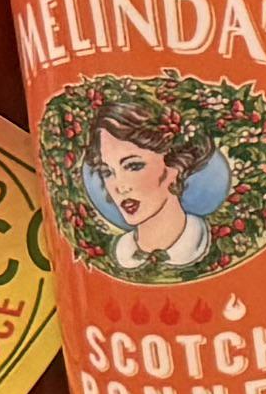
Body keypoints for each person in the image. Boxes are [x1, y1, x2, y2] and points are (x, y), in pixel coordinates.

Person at [78, 91, 231, 280]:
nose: (120, 187)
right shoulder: (119, 253)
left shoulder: (207, 242)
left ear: (175, 167)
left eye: (133, 166)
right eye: (107, 172)